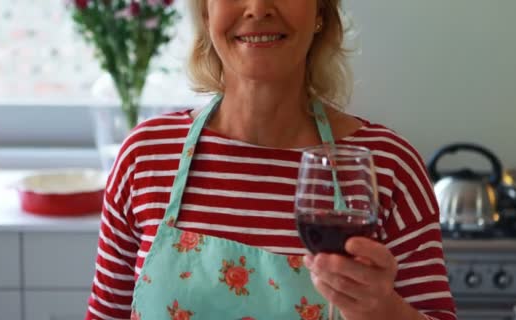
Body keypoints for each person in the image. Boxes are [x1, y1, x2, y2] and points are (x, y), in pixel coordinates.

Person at [86, 0, 456, 319]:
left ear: (320, 13)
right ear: (206, 11)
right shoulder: (147, 156)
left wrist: (383, 312)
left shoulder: (387, 165)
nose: (259, 7)